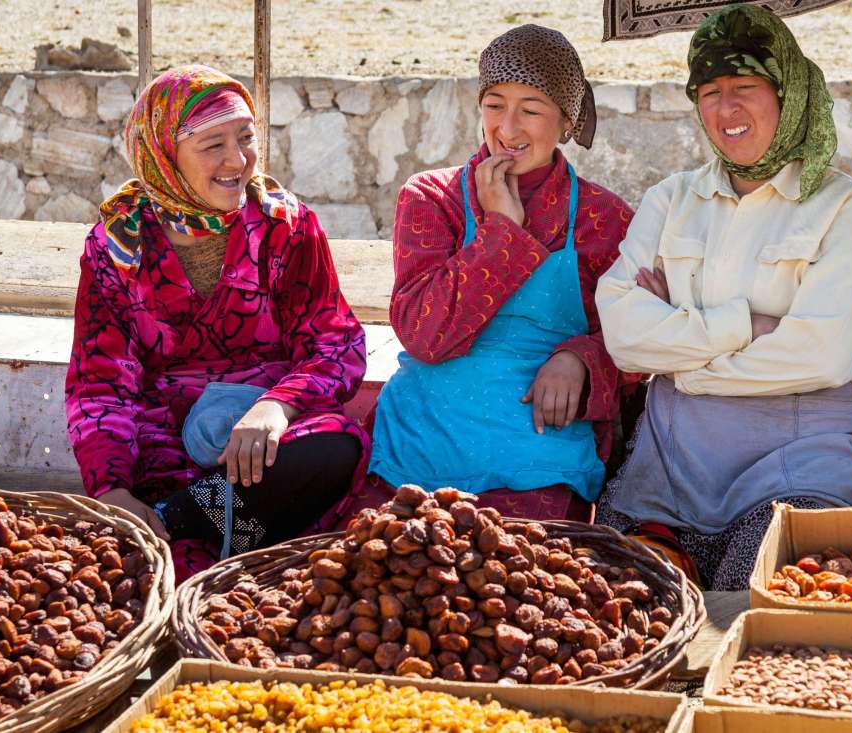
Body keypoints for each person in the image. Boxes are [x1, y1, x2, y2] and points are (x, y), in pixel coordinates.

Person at [592, 5, 852, 591]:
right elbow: (624, 338)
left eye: (745, 87)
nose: (726, 110)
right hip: (669, 473)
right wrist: (747, 323)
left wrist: (682, 358)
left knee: (750, 607)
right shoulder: (671, 199)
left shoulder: (844, 207)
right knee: (620, 605)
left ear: (788, 93)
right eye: (709, 91)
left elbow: (820, 357)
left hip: (799, 468)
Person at [312, 25, 639, 529]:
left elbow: (638, 342)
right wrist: (503, 232)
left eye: (531, 109)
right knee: (387, 582)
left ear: (566, 121)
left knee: (520, 591)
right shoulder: (431, 197)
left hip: (538, 457)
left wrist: (583, 358)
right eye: (494, 103)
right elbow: (425, 336)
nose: (508, 128)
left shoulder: (604, 218)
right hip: (419, 444)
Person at [65, 65, 367, 579]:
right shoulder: (116, 248)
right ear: (164, 156)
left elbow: (336, 342)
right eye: (213, 145)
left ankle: (184, 520)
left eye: (246, 138)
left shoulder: (284, 228)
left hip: (263, 445)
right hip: (164, 443)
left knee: (336, 443)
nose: (238, 160)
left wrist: (277, 405)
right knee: (173, 571)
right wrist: (111, 488)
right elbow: (100, 381)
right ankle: (202, 521)